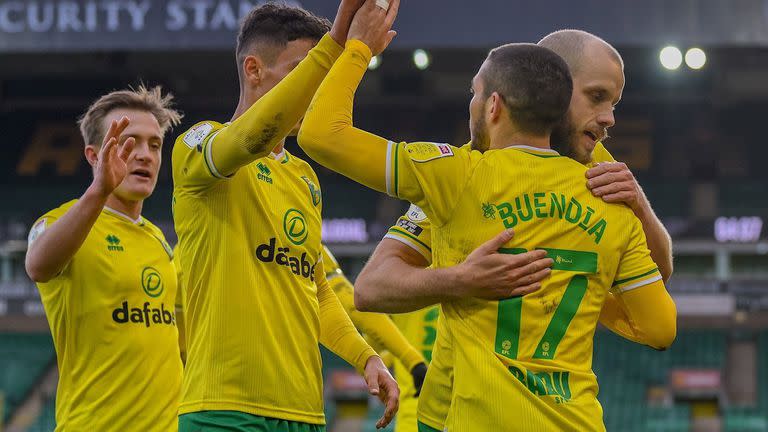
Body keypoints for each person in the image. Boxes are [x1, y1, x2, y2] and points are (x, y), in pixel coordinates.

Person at [297, 2, 677, 429]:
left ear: (494, 102)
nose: (608, 118)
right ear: (553, 87)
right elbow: (376, 284)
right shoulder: (470, 174)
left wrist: (639, 206)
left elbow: (657, 280)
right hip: (516, 412)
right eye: (596, 97)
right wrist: (464, 279)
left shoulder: (460, 175)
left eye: (613, 102)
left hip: (470, 416)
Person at [171, 2, 398, 431]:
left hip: (304, 413)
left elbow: (316, 293)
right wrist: (337, 47)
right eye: (303, 68)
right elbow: (251, 139)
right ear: (254, 70)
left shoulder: (305, 178)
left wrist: (365, 357)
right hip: (223, 411)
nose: (315, 84)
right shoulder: (198, 145)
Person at [25, 86, 183, 431]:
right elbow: (37, 266)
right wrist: (99, 190)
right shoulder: (58, 223)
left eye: (154, 145)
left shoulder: (159, 239)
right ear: (94, 155)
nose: (144, 155)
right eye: (128, 142)